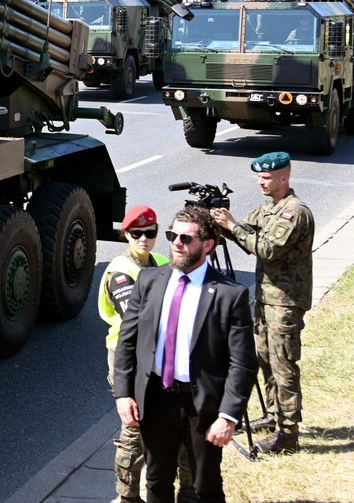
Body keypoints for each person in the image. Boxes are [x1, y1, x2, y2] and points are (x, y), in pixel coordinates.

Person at [114, 207, 256, 503]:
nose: (176, 243)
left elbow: (242, 363)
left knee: (204, 486)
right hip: (155, 398)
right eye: (171, 235)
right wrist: (124, 393)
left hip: (201, 404)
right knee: (156, 481)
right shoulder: (149, 280)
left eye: (186, 238)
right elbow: (128, 341)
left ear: (207, 245)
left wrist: (228, 416)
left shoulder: (230, 294)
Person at [210, 152, 313, 454]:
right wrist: (225, 225)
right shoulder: (268, 209)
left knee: (283, 365)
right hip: (267, 298)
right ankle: (272, 415)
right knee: (264, 358)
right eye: (259, 177)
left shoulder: (294, 212)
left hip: (286, 301)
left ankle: (288, 434)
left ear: (284, 177)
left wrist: (232, 225)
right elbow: (247, 236)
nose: (260, 182)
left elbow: (267, 249)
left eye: (266, 178)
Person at [98, 205, 196, 503]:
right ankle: (127, 496)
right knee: (134, 428)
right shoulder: (120, 271)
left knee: (175, 426)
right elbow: (136, 321)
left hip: (161, 358)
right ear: (125, 234)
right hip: (129, 360)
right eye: (136, 233)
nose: (143, 239)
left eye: (150, 233)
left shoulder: (163, 261)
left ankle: (187, 491)